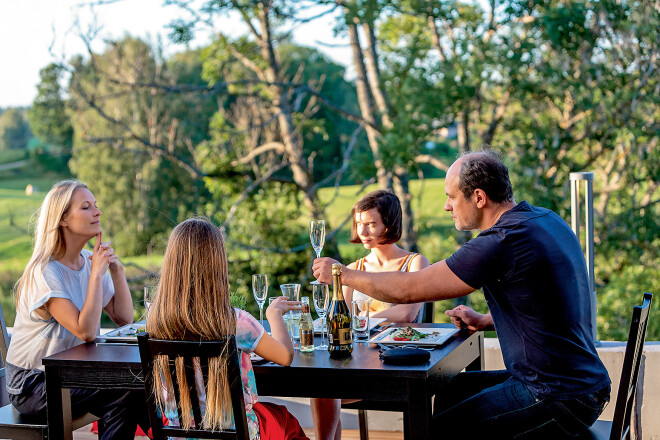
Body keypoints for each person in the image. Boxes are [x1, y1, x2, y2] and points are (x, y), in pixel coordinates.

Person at [313, 151, 611, 438]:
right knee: (449, 391)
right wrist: (484, 320)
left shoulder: (500, 241)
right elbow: (550, 305)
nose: (447, 206)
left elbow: (409, 289)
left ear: (479, 197)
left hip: (559, 395)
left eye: (451, 196)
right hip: (573, 383)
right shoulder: (544, 219)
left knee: (440, 430)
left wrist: (344, 274)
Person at [6, 180, 149, 439]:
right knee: (124, 389)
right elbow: (86, 332)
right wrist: (96, 276)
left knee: (135, 383)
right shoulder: (45, 272)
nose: (97, 212)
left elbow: (123, 319)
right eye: (86, 207)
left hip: (70, 373)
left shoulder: (88, 261)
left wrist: (118, 272)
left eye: (96, 205)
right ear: (62, 220)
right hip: (33, 384)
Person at [146, 218, 309, 440]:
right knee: (284, 420)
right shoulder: (236, 322)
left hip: (180, 435)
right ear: (217, 265)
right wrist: (274, 316)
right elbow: (285, 356)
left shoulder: (156, 322)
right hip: (236, 433)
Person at [311, 190, 430, 440]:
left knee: (325, 388)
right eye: (358, 224)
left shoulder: (416, 263)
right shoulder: (354, 269)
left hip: (396, 367)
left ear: (390, 222)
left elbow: (407, 313)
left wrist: (361, 321)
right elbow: (339, 318)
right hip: (357, 363)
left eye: (370, 224)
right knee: (321, 384)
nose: (362, 231)